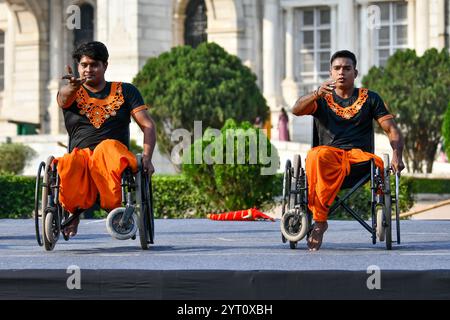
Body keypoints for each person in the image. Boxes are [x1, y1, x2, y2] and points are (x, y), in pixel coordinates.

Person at [291, 50, 405, 251]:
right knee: (315, 154)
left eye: (346, 68)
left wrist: (397, 155)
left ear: (355, 72)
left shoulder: (371, 98)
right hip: (327, 160)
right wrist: (317, 93)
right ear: (330, 72)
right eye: (337, 68)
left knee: (325, 157)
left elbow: (392, 129)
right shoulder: (321, 99)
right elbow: (296, 109)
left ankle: (319, 220)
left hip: (360, 162)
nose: (341, 72)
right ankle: (319, 222)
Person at [56, 41, 156, 238]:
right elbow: (63, 99)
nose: (88, 70)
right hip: (81, 156)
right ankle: (73, 213)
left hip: (114, 155)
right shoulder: (71, 92)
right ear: (78, 67)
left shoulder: (126, 91)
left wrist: (147, 156)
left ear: (105, 66)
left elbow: (148, 125)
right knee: (68, 162)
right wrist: (71, 87)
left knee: (106, 148)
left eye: (94, 65)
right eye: (84, 65)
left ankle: (114, 208)